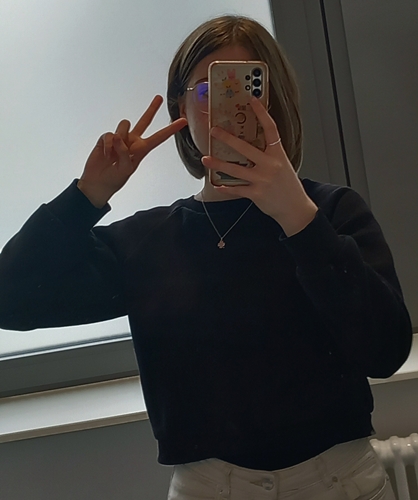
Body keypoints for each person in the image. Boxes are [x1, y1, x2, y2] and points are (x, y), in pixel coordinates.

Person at [0, 14, 412, 500]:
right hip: (209, 489)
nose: (226, 107)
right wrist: (86, 196)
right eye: (206, 90)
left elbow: (385, 352)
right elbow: (11, 299)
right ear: (180, 108)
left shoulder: (332, 213)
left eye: (249, 87)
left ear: (275, 101)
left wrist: (300, 220)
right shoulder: (149, 241)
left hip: (342, 484)